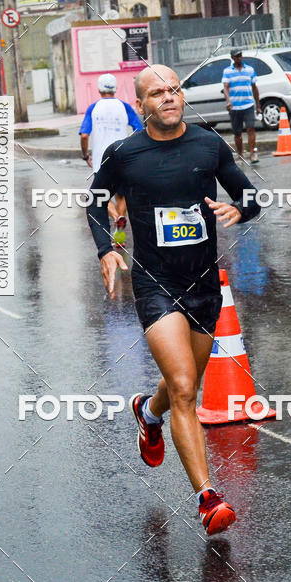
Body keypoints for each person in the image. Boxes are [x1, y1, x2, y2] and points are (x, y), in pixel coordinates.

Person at [86, 64, 260, 535]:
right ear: (140, 105)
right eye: (157, 93)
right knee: (185, 386)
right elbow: (96, 202)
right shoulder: (124, 154)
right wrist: (106, 250)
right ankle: (208, 497)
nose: (168, 97)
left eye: (174, 90)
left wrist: (238, 208)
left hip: (203, 284)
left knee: (181, 385)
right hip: (155, 282)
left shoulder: (208, 145)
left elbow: (251, 197)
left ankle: (147, 411)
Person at [79, 73, 143, 244]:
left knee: (101, 195)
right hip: (123, 158)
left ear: (99, 89)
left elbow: (85, 135)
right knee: (121, 198)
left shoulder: (93, 108)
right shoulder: (125, 107)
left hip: (101, 160)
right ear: (115, 88)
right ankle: (120, 236)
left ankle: (115, 216)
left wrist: (85, 155)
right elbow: (139, 130)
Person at [222, 48, 261, 163]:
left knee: (251, 128)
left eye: (240, 55)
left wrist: (258, 105)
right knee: (237, 132)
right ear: (232, 58)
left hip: (248, 105)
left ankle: (253, 153)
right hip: (235, 107)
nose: (239, 58)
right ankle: (240, 154)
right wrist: (228, 101)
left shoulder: (249, 70)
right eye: (236, 56)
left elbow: (254, 88)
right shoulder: (227, 71)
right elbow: (225, 87)